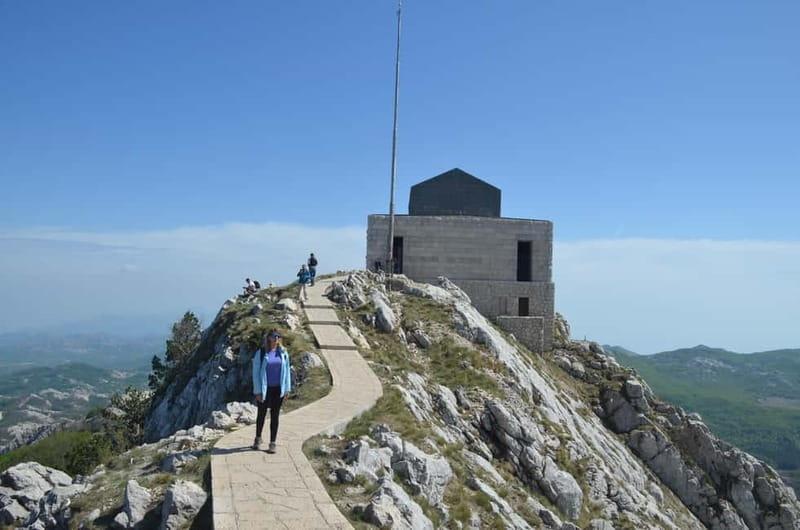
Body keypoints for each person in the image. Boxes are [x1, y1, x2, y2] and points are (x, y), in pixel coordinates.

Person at [251, 330, 292, 453]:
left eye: (279, 337)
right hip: (264, 389)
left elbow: (287, 372)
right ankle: (258, 438)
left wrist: (287, 389)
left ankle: (272, 442)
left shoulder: (283, 353)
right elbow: (256, 373)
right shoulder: (262, 353)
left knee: (275, 416)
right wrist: (258, 391)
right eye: (274, 337)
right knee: (262, 414)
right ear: (268, 338)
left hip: (278, 389)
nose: (277, 339)